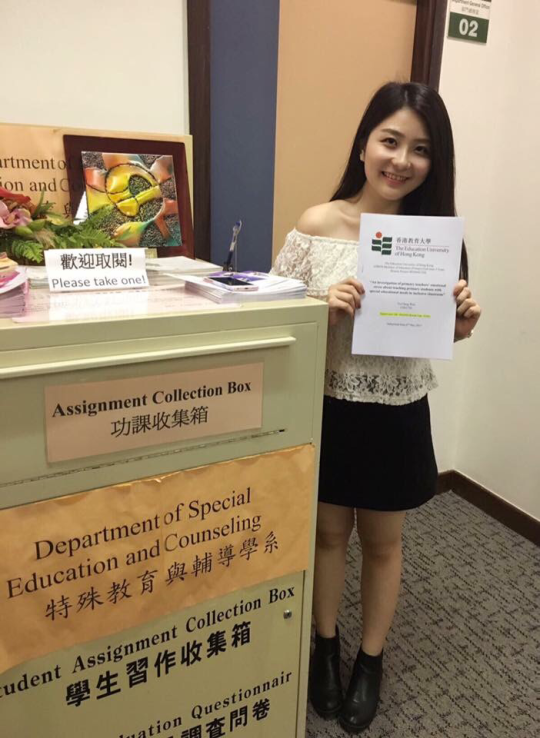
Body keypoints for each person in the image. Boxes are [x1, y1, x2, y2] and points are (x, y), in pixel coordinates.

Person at [272, 81, 482, 734]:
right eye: (390, 141)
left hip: (396, 409)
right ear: (364, 143)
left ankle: (370, 660)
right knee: (328, 534)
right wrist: (318, 307)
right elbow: (272, 323)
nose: (401, 160)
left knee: (384, 544)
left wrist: (460, 326)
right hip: (329, 404)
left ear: (435, 162)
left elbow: (436, 331)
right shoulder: (316, 225)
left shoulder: (434, 239)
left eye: (421, 149)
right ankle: (324, 646)